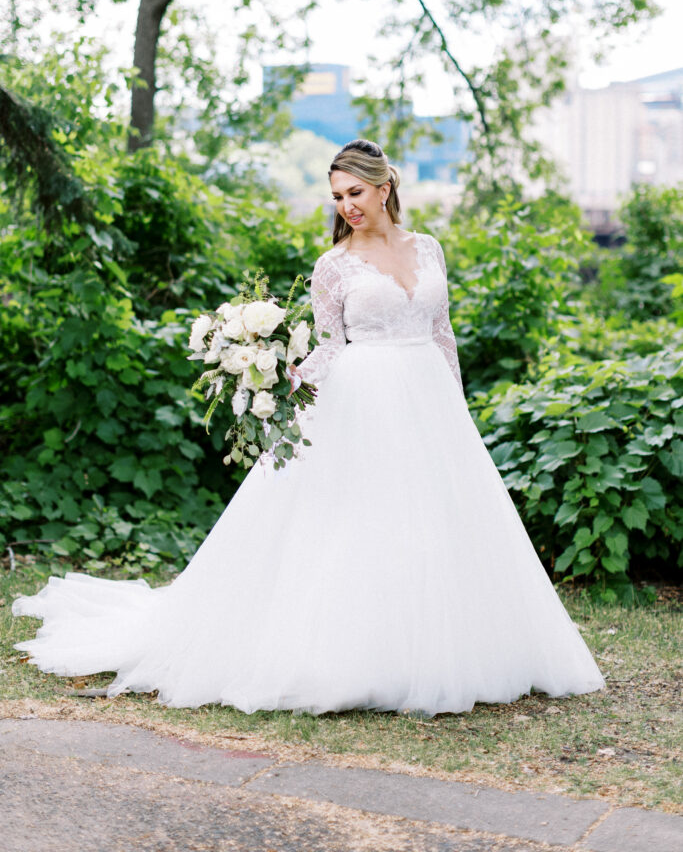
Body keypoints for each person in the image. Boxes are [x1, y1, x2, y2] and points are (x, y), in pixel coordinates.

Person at [12, 139, 604, 715]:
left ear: (385, 186)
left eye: (356, 192)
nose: (347, 205)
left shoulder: (428, 249)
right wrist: (279, 377)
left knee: (435, 521)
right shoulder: (333, 265)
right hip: (363, 399)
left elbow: (442, 332)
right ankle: (358, 657)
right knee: (359, 524)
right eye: (337, 196)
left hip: (429, 401)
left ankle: (449, 649)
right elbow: (329, 346)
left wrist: (456, 406)